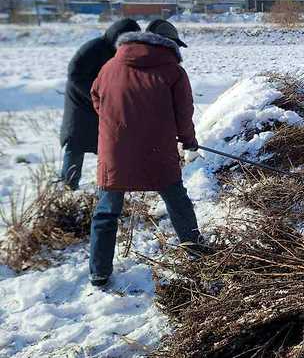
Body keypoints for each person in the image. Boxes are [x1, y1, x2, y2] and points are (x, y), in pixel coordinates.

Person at [89, 19, 201, 287]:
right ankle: (196, 251)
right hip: (157, 149)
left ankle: (99, 272)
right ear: (170, 44)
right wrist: (188, 141)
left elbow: (95, 98)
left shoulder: (110, 66)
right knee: (177, 200)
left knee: (106, 211)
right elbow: (183, 114)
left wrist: (119, 124)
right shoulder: (173, 71)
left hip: (114, 149)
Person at [59, 19, 140, 190]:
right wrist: (96, 93)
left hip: (104, 103)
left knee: (106, 143)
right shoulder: (94, 48)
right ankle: (68, 184)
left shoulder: (120, 52)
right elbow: (74, 74)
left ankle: (107, 181)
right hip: (80, 103)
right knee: (76, 142)